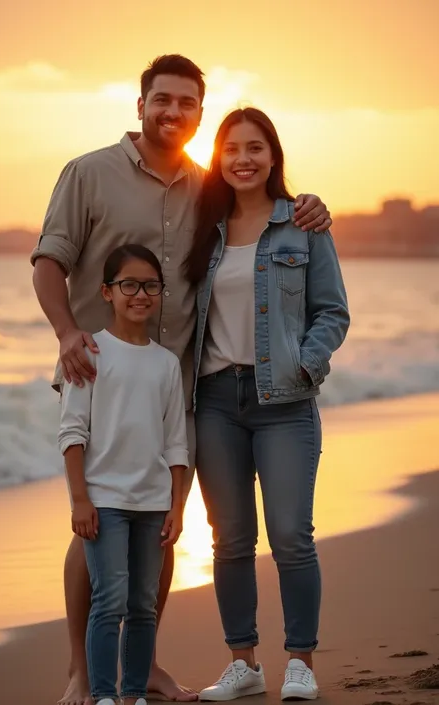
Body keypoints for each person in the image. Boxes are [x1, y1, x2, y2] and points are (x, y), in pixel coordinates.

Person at [31, 53, 333, 705]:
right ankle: (82, 672)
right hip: (101, 375)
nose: (172, 112)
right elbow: (48, 262)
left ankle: (144, 666)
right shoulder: (89, 172)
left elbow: (269, 231)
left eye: (186, 103)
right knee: (97, 522)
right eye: (160, 100)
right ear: (139, 105)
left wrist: (306, 204)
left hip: (182, 386)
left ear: (200, 113)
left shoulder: (209, 188)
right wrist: (63, 333)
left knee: (159, 521)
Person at [185, 108, 350, 701]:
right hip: (215, 401)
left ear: (273, 156)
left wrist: (306, 364)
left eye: (256, 148)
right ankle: (244, 663)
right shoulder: (202, 227)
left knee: (289, 534)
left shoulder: (304, 224)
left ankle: (300, 661)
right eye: (231, 148)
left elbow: (333, 311)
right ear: (217, 157)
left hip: (284, 400)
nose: (244, 159)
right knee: (229, 538)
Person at [58, 244, 188, 705]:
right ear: (107, 292)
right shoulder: (89, 352)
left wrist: (177, 506)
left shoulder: (166, 363)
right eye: (129, 285)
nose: (141, 294)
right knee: (108, 601)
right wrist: (80, 499)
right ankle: (105, 695)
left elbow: (176, 443)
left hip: (154, 506)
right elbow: (72, 434)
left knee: (143, 607)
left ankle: (133, 695)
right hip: (105, 503)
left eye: (150, 285)